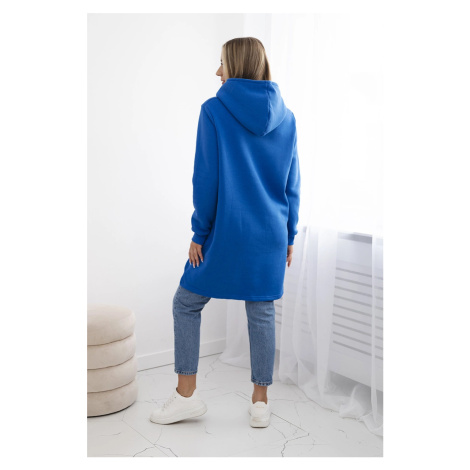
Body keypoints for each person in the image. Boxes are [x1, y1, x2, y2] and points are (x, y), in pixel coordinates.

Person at [150, 37, 301, 428]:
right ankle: (260, 403)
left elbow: (207, 179)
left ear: (237, 65)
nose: (218, 71)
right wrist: (289, 235)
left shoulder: (214, 110)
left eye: (222, 63)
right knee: (261, 311)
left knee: (186, 303)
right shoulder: (287, 117)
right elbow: (292, 183)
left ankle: (186, 396)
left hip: (228, 231)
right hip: (270, 234)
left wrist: (199, 232)